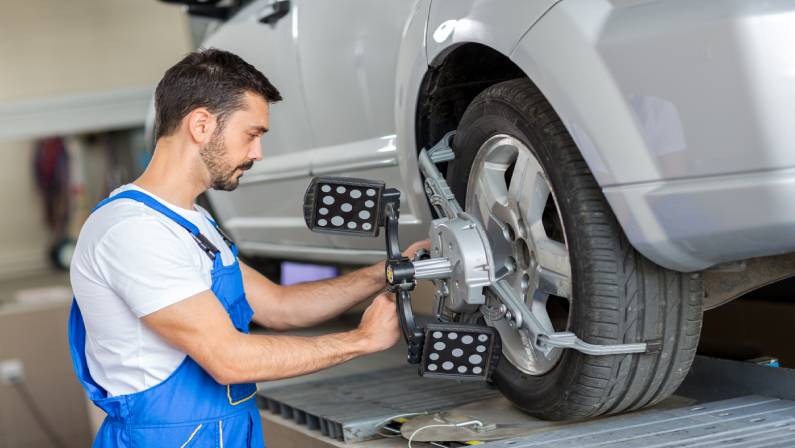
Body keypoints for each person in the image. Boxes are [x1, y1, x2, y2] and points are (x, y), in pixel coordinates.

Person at [68, 48, 428, 447]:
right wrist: (360, 341)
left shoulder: (192, 221)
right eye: (252, 134)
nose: (258, 153)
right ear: (201, 124)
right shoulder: (134, 231)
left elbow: (279, 306)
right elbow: (229, 359)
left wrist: (387, 272)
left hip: (226, 431)